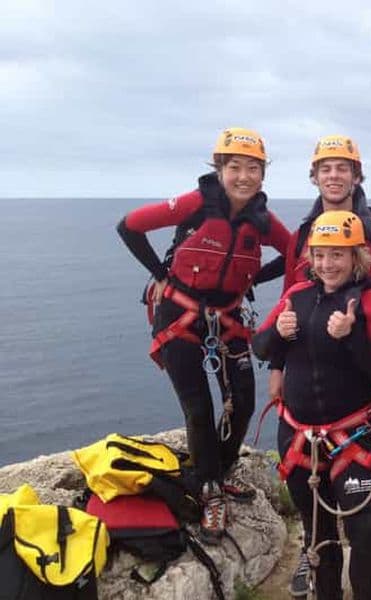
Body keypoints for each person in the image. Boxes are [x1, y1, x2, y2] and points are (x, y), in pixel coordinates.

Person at [116, 127, 291, 542]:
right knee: (197, 406)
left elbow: (296, 253)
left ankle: (217, 469)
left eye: (253, 168)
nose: (244, 176)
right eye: (234, 167)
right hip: (179, 314)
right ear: (219, 168)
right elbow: (129, 226)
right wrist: (159, 273)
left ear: (263, 175)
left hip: (227, 319)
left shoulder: (262, 220)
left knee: (244, 402)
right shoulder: (196, 204)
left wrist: (253, 279)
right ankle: (209, 490)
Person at [267, 135, 371, 596]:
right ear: (316, 175)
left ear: (356, 175)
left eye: (343, 168)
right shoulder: (304, 234)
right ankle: (315, 564)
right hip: (305, 407)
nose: (335, 175)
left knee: (363, 531)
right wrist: (278, 367)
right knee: (316, 521)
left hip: (356, 403)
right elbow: (288, 304)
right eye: (326, 168)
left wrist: (363, 343)